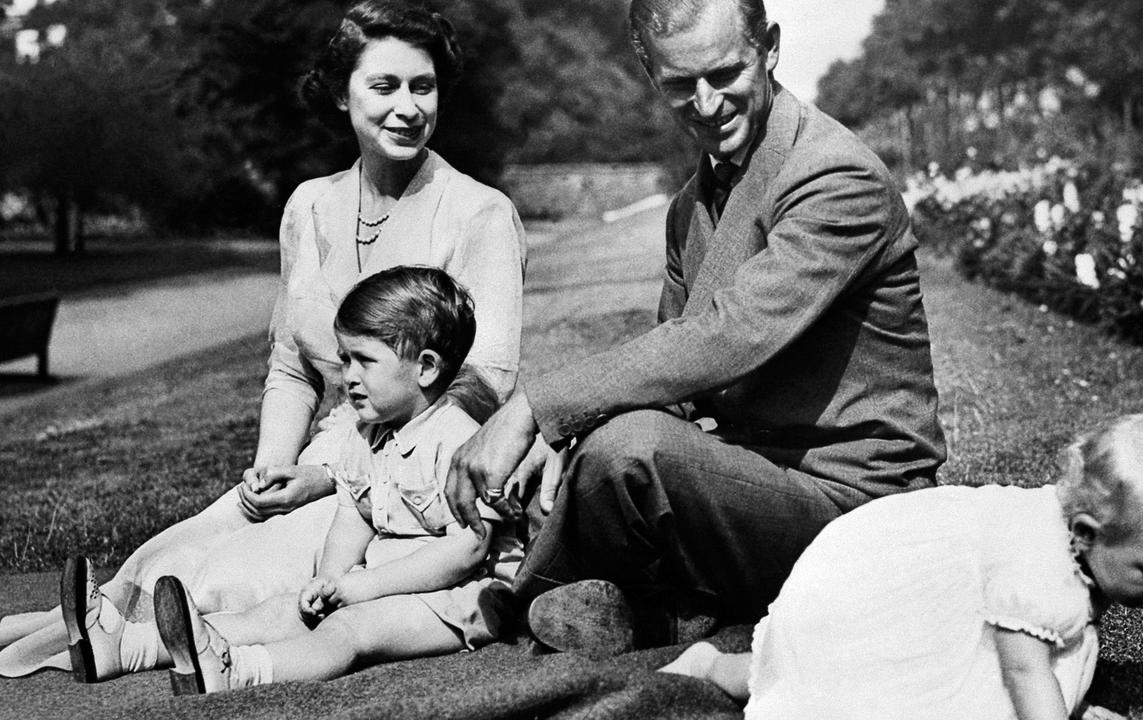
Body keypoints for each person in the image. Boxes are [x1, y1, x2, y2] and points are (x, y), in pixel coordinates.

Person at [0, 0, 525, 679]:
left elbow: (483, 388)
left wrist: (328, 477)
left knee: (226, 578)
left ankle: (141, 649)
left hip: (409, 479)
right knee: (171, 556)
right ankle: (104, 636)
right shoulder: (309, 206)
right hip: (317, 458)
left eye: (422, 87)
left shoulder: (479, 212)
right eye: (384, 85)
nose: (407, 108)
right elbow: (291, 365)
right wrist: (273, 471)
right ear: (342, 92)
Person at [445, 0, 946, 655]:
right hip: (754, 484)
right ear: (652, 74)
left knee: (630, 449)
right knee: (595, 455)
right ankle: (661, 608)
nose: (706, 104)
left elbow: (728, 335)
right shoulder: (690, 207)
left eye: (724, 74)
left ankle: (510, 610)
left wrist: (538, 409)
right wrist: (560, 446)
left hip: (861, 507)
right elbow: (673, 386)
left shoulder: (833, 174)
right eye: (680, 84)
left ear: (768, 47)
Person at [62, 266, 514, 692]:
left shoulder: (460, 440)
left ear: (427, 368)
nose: (349, 378)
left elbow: (468, 548)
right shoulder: (367, 432)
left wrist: (365, 587)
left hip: (464, 597)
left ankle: (240, 672)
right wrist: (331, 578)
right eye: (344, 359)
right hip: (383, 578)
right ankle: (127, 647)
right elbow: (352, 513)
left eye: (364, 361)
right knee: (279, 609)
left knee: (349, 630)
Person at [659, 414, 1143, 720]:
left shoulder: (1060, 534)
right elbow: (1025, 674)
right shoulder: (1042, 572)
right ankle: (711, 669)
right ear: (1086, 534)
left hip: (883, 585)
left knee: (797, 673)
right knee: (856, 688)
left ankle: (715, 668)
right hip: (870, 599)